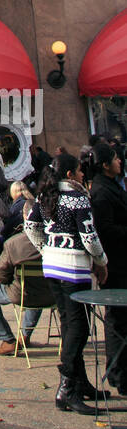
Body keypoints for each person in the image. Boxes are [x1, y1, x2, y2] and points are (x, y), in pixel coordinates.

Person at [25, 152, 107, 415]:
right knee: (79, 328)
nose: (83, 174)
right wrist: (101, 261)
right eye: (80, 171)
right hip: (74, 268)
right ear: (70, 174)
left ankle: (80, 383)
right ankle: (68, 387)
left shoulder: (45, 195)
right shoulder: (77, 198)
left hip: (52, 267)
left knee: (69, 324)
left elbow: (30, 225)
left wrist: (46, 248)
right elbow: (89, 236)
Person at [0, 205, 52, 355]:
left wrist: (10, 280)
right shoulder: (55, 240)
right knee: (36, 285)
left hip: (21, 292)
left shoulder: (14, 243)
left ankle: (8, 340)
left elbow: (1, 275)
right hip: (52, 294)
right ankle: (25, 336)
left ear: (25, 217)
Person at [90, 141, 127, 396]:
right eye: (115, 159)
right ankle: (119, 374)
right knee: (118, 319)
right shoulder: (102, 192)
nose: (119, 161)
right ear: (105, 165)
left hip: (120, 261)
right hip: (115, 264)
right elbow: (105, 229)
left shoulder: (111, 186)